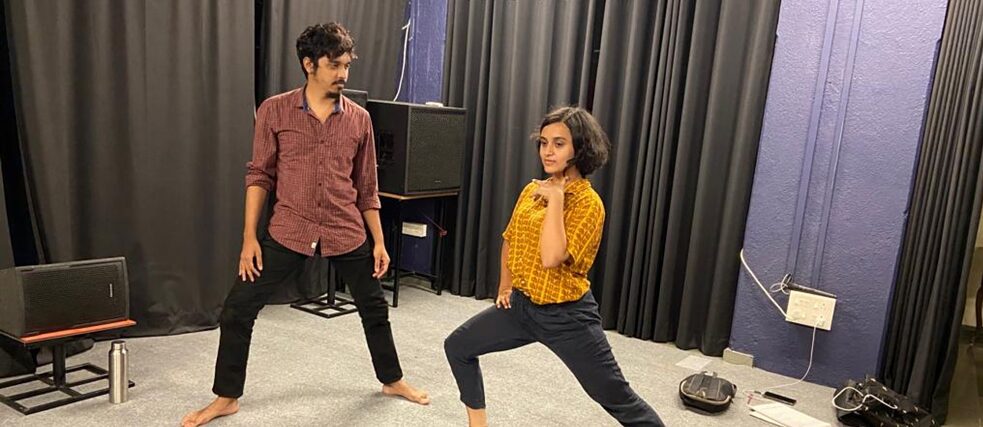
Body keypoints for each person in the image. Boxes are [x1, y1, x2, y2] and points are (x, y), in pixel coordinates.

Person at [181, 22, 429, 427]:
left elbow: (367, 188)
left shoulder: (360, 120)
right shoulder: (274, 110)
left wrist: (379, 242)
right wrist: (249, 238)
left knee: (374, 308)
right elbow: (259, 176)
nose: (343, 74)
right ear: (309, 64)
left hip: (346, 229)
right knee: (238, 309)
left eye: (346, 65)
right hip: (289, 229)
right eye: (334, 65)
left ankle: (392, 380)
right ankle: (226, 398)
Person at [443, 106, 664, 427]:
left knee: (617, 396)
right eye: (544, 142)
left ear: (580, 148)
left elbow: (551, 257)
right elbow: (510, 238)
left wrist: (557, 199)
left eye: (559, 144)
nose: (548, 151)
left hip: (567, 317)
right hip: (522, 307)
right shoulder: (532, 190)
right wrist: (506, 285)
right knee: (458, 346)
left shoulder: (588, 204)